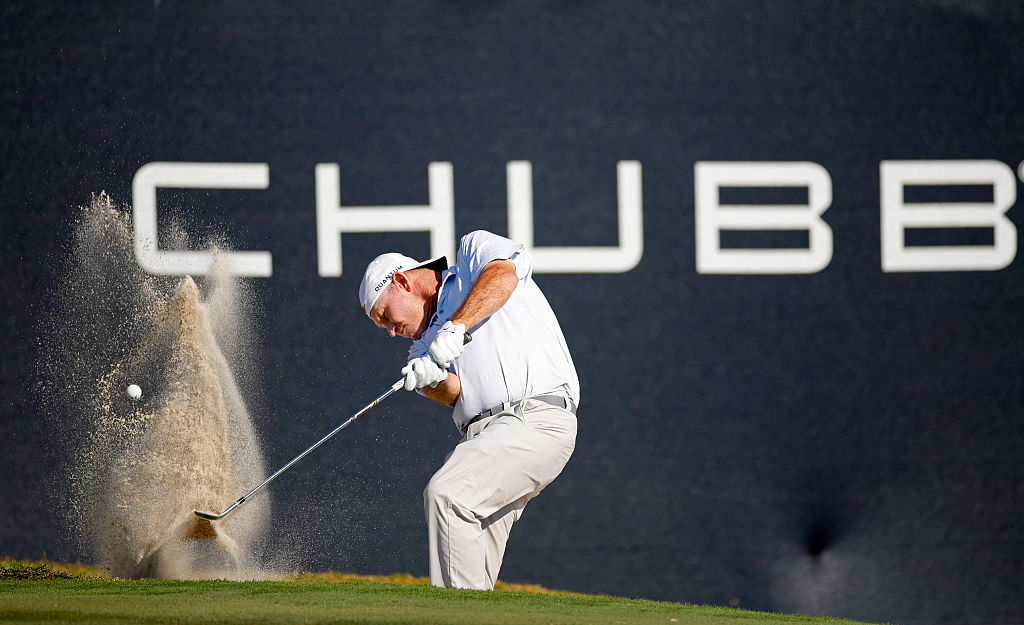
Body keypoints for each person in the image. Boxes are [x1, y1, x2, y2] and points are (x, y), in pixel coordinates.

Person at [358, 230, 580, 590]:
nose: (390, 332)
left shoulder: (472, 254)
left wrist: (455, 328)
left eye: (385, 316)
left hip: (535, 419)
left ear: (401, 282)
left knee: (447, 497)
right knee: (471, 567)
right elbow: (456, 395)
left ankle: (456, 615)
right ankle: (474, 611)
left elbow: (503, 276)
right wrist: (431, 379)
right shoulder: (420, 350)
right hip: (486, 440)